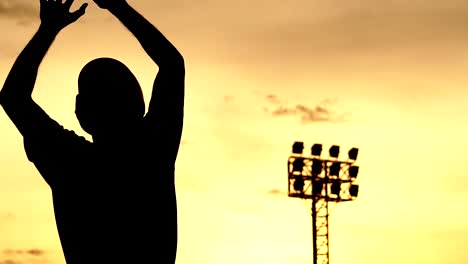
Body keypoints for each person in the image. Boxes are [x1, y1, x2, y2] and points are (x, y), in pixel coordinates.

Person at [0, 0, 185, 263]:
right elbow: (172, 64)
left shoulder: (68, 161)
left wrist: (48, 31)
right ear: (139, 105)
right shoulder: (153, 149)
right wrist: (117, 5)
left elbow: (13, 97)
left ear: (81, 113)